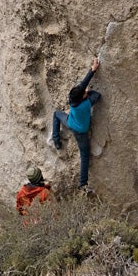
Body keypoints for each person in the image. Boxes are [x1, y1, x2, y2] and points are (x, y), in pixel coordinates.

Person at [51, 56, 101, 190]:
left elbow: (82, 86)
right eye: (84, 93)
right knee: (85, 155)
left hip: (70, 122)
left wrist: (93, 69)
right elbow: (97, 96)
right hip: (81, 132)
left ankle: (56, 140)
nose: (85, 91)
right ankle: (82, 183)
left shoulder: (72, 99)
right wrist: (90, 93)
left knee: (56, 114)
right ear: (83, 98)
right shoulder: (85, 105)